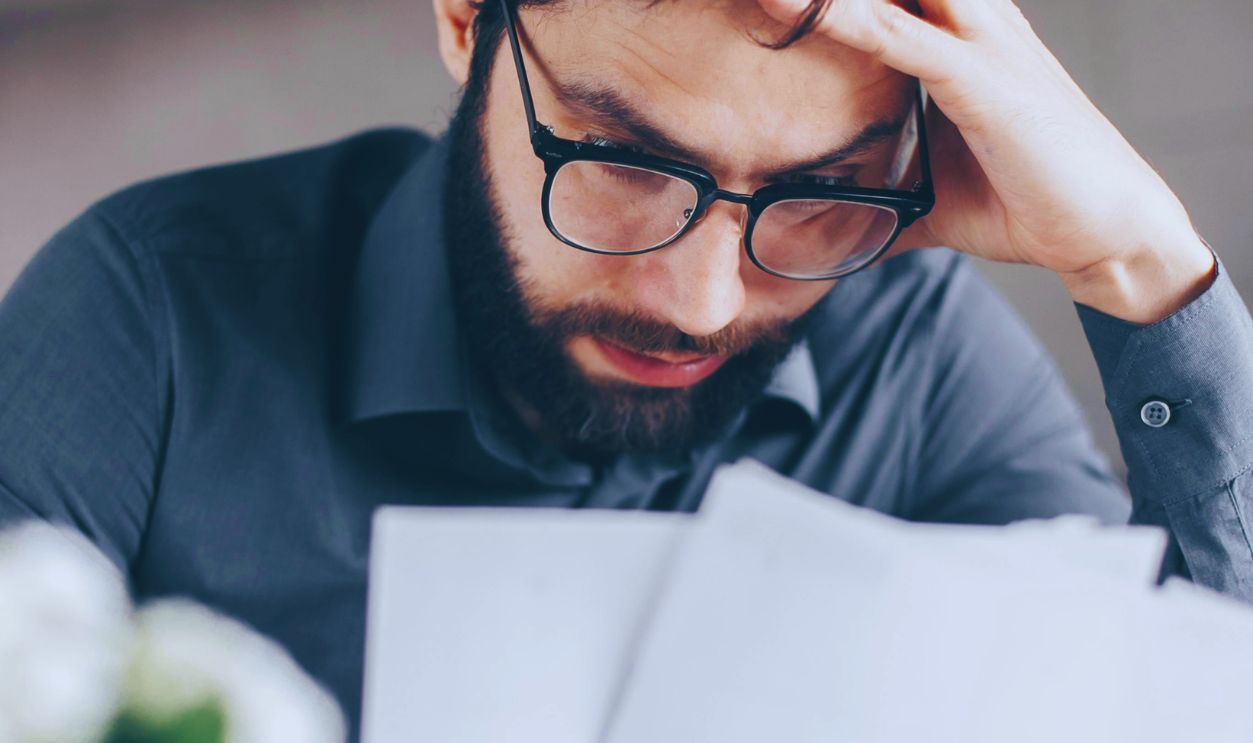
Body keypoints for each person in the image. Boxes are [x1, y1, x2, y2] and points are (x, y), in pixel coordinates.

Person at [1, 0, 1250, 731]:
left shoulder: (906, 356)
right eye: (621, 161)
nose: (701, 304)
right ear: (462, 21)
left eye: (818, 191)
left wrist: (1140, 266)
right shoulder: (149, 315)